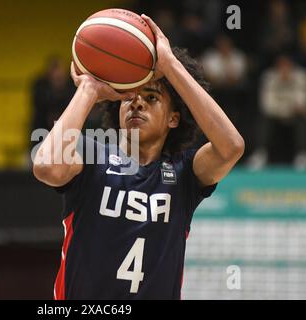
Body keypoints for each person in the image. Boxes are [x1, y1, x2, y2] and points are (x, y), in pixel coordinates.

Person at [32, 15, 244, 299]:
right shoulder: (91, 153)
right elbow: (46, 167)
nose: (137, 102)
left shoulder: (183, 174)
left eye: (152, 97)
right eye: (129, 96)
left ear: (173, 119)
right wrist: (89, 89)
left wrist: (170, 65)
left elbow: (231, 146)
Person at [247, 55, 306, 171]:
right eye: (281, 66)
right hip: (275, 114)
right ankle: (260, 154)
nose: (284, 69)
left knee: (302, 120)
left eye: (287, 66)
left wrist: (289, 109)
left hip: (294, 115)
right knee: (263, 119)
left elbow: (301, 103)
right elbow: (266, 104)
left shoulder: (302, 76)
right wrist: (285, 110)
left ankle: (302, 155)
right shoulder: (269, 77)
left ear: (292, 66)